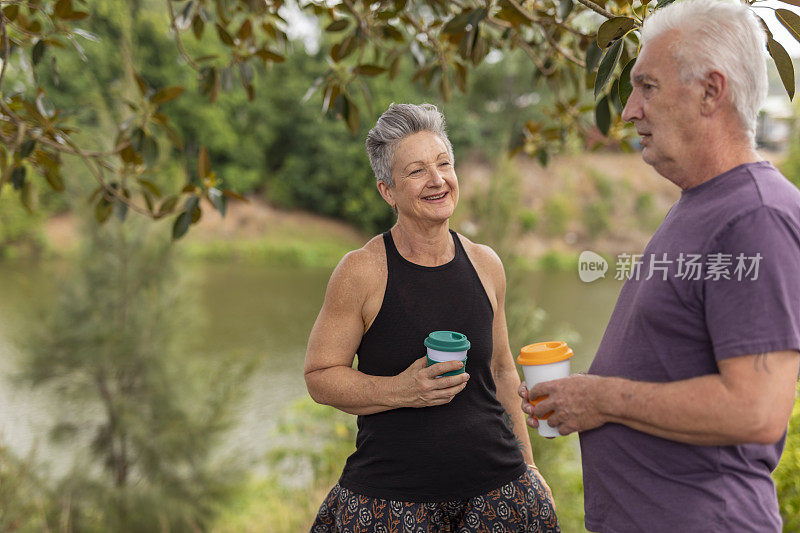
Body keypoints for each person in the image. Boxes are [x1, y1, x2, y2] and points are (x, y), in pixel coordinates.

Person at [518, 1, 800, 531]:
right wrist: (575, 395)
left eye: (647, 86)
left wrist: (600, 399)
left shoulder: (755, 215)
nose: (628, 111)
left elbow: (756, 411)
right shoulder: (702, 202)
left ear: (710, 91)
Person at [305, 103, 559, 532]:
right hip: (390, 504)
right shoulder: (362, 270)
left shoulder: (486, 263)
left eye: (444, 164)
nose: (437, 180)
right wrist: (401, 390)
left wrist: (529, 466)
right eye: (417, 171)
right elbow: (320, 375)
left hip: (498, 496)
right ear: (388, 190)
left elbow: (501, 368)